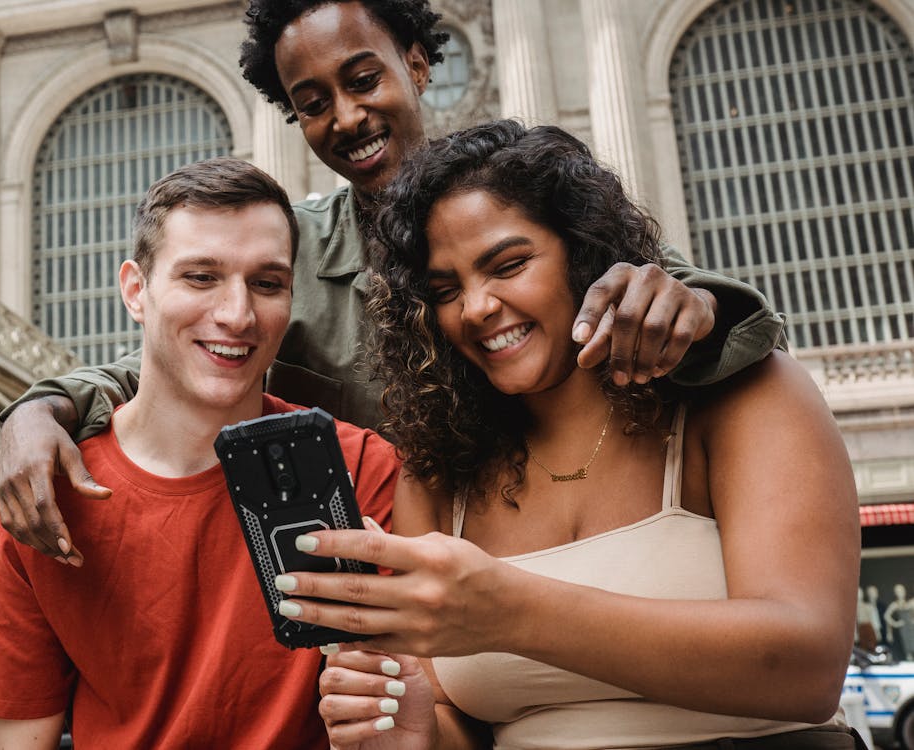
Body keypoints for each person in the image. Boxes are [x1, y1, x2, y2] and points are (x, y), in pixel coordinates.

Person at [0, 0, 786, 567]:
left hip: (569, 557)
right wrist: (40, 408)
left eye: (361, 78)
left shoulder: (531, 201)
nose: (345, 116)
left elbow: (694, 303)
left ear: (414, 61)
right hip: (391, 591)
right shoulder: (287, 255)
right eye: (311, 104)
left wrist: (688, 308)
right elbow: (173, 370)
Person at [271, 121, 863, 749]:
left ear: (584, 253)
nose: (476, 308)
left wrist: (509, 611)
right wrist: (417, 732)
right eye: (446, 291)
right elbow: (457, 719)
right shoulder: (441, 467)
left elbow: (808, 667)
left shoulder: (740, 393)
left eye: (509, 265)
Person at [0, 158, 399, 748]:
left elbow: (402, 707)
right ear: (135, 290)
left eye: (267, 283)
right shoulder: (36, 501)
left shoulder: (361, 468)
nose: (237, 315)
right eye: (201, 278)